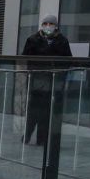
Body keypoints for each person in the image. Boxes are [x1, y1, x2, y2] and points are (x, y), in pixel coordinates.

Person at [20, 14, 72, 146]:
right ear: (42, 26)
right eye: (46, 24)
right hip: (36, 81)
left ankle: (42, 139)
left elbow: (68, 60)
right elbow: (24, 58)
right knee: (34, 110)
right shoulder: (33, 39)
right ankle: (27, 135)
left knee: (47, 112)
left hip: (54, 82)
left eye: (51, 24)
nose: (48, 26)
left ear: (56, 27)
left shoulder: (62, 41)